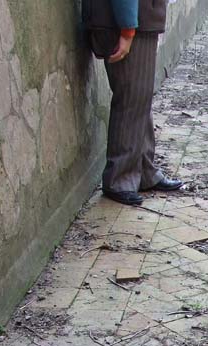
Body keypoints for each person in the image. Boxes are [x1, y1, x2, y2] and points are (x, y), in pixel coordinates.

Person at [83, 0, 184, 206]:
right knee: (131, 98)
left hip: (137, 20)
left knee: (140, 97)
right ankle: (119, 179)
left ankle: (144, 170)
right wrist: (127, 28)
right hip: (126, 23)